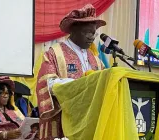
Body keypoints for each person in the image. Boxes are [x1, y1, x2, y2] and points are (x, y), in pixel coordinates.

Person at [36, 4, 106, 140]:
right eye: (88, 32)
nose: (92, 37)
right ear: (74, 31)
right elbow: (47, 84)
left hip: (88, 122)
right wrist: (77, 86)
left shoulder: (96, 60)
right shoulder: (54, 54)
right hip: (61, 121)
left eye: (94, 33)